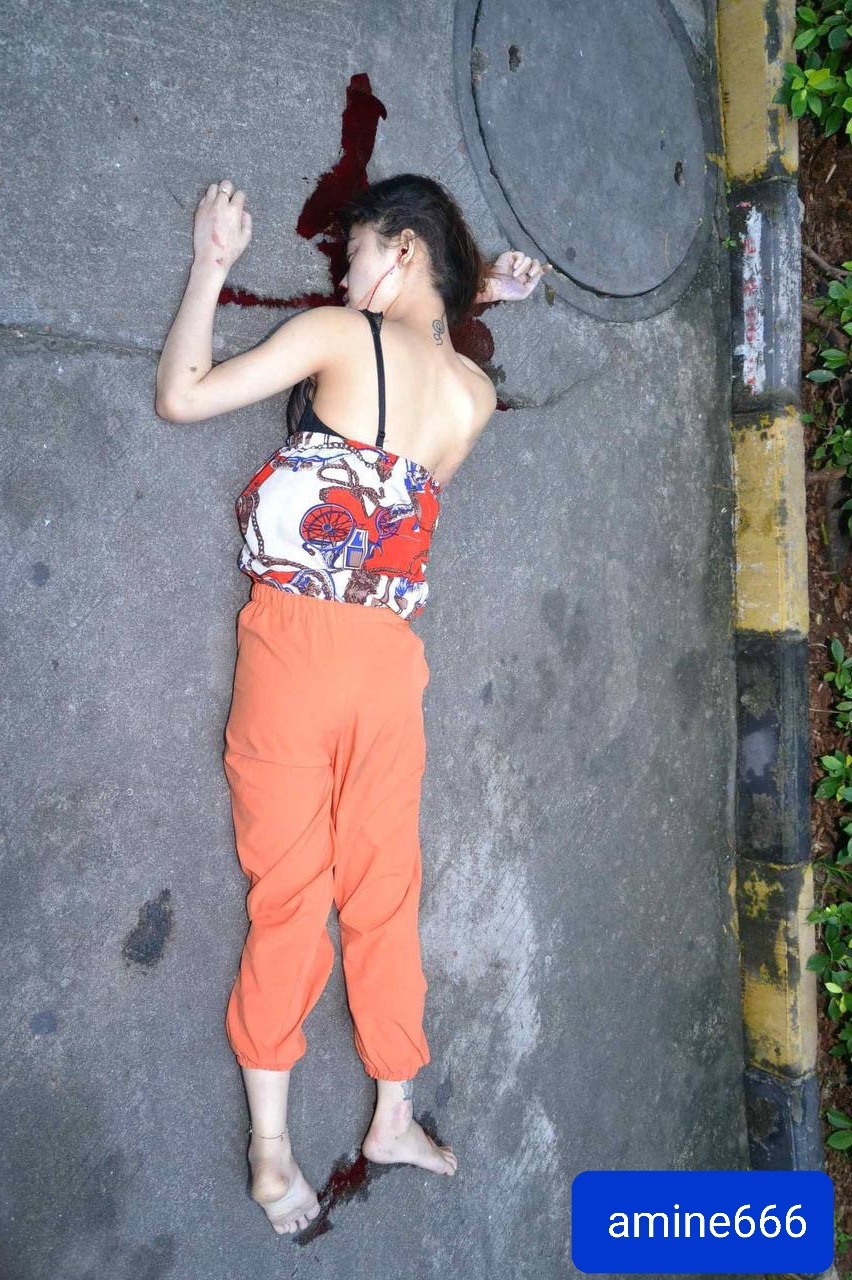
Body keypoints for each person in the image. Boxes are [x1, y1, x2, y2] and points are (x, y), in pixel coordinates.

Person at [156, 172, 551, 1235]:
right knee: (384, 885)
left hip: (296, 645)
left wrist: (212, 262)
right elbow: (414, 407)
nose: (343, 276)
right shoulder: (472, 397)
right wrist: (479, 298)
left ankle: (273, 1152)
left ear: (404, 249)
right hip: (389, 662)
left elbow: (183, 394)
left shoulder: (340, 336)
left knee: (290, 889)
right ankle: (393, 1115)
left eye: (357, 254)